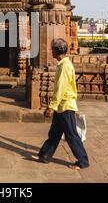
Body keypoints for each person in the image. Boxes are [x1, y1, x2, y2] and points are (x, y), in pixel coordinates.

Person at [31, 38, 89, 170]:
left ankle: (83, 161)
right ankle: (44, 155)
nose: (51, 52)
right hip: (61, 106)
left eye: (52, 49)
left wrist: (51, 107)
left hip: (65, 106)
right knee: (55, 133)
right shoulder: (64, 64)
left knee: (71, 135)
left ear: (57, 51)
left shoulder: (64, 66)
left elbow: (60, 89)